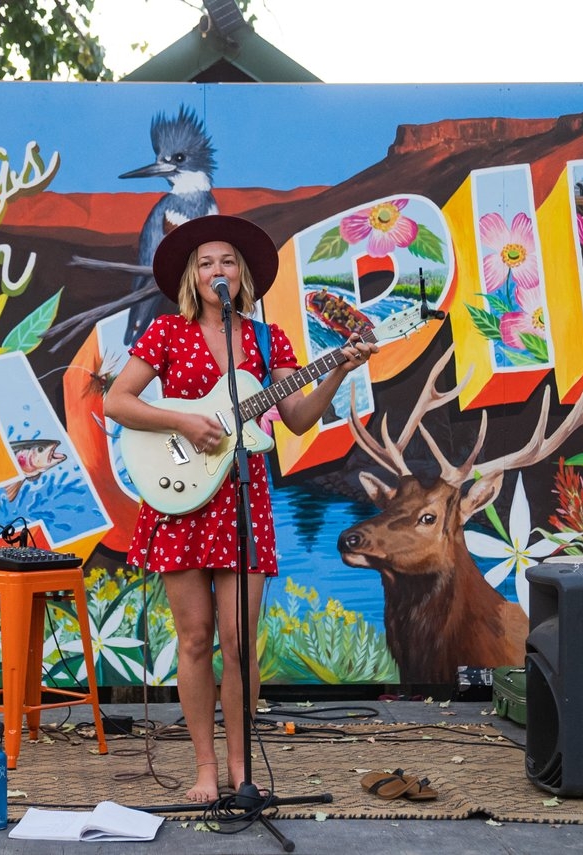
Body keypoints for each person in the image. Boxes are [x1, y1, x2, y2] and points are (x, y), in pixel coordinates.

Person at [103, 215, 378, 803]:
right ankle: (203, 765)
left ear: (242, 274)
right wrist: (183, 419)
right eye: (206, 262)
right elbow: (116, 400)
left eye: (227, 261)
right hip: (182, 499)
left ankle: (238, 767)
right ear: (191, 276)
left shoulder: (265, 338)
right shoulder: (166, 333)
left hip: (242, 500)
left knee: (238, 643)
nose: (216, 271)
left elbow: (298, 417)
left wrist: (338, 370)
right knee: (195, 639)